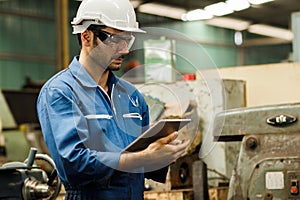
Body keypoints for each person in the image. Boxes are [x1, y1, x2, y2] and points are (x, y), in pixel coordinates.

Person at [36, 0, 190, 199]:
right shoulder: (60, 92)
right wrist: (143, 157)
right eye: (115, 40)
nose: (124, 50)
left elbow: (142, 161)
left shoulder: (132, 96)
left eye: (128, 40)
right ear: (86, 36)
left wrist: (163, 154)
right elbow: (74, 164)